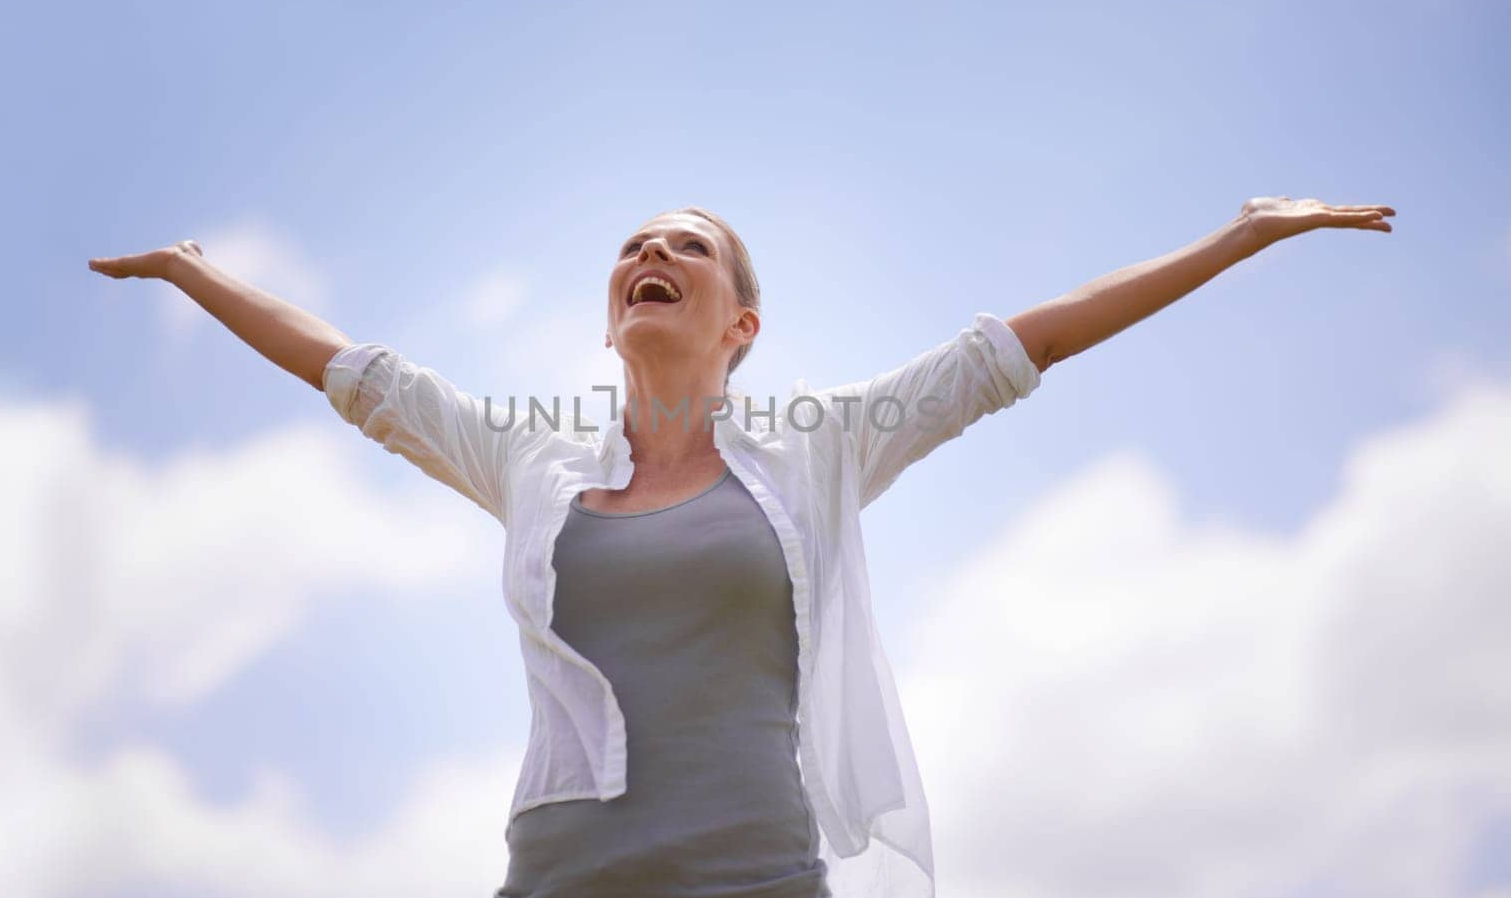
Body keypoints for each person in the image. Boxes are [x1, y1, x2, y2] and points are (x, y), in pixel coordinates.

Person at [88, 196, 1396, 898]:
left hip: (755, 883)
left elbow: (1021, 344)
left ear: (742, 323)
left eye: (688, 246)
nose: (650, 251)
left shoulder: (821, 447)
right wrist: (201, 280)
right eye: (632, 247)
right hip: (559, 883)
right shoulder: (527, 460)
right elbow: (353, 371)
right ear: (613, 313)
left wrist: (1241, 236)